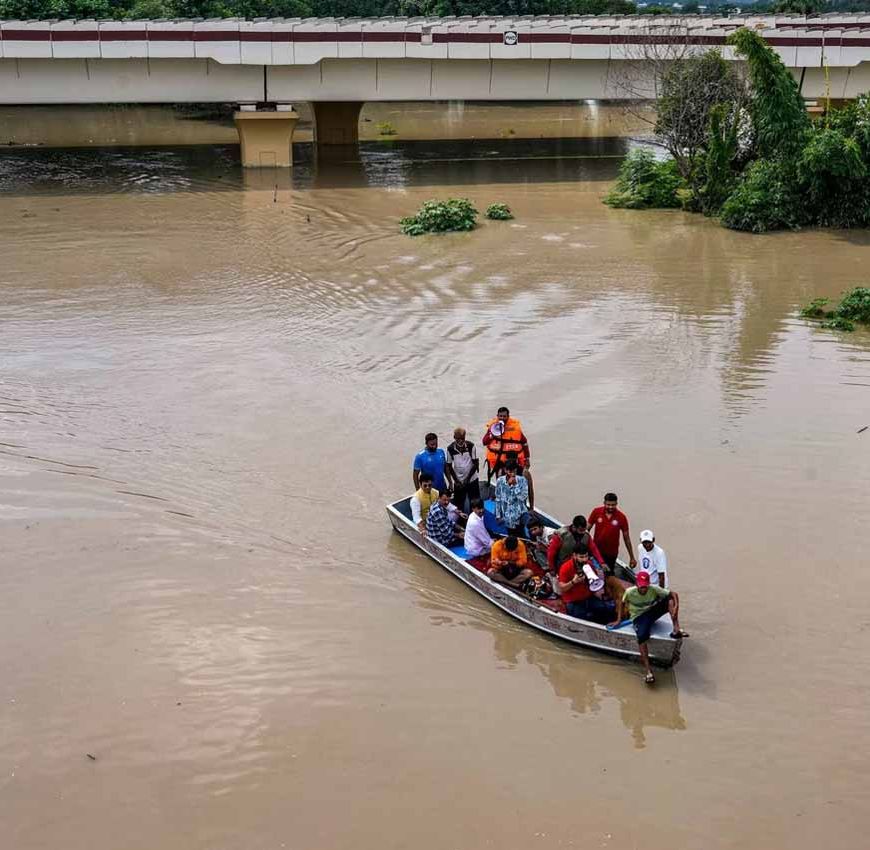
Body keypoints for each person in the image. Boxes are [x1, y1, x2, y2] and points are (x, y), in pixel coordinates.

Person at [611, 571, 688, 684]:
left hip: (651, 611)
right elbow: (621, 603)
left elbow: (674, 594)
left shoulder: (653, 588)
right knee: (642, 637)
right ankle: (648, 672)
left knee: (669, 600)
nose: (643, 589)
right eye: (641, 587)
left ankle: (676, 630)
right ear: (637, 585)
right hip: (639, 617)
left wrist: (675, 609)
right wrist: (618, 620)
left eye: (645, 587)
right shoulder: (629, 592)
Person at [557, 543, 614, 624]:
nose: (584, 559)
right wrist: (573, 582)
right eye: (581, 557)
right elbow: (562, 588)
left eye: (586, 556)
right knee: (580, 617)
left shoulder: (589, 564)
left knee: (606, 609)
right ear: (574, 555)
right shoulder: (565, 567)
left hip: (588, 597)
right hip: (573, 601)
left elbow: (595, 582)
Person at [588, 492, 636, 579]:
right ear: (604, 503)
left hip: (611, 553)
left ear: (616, 504)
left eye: (613, 505)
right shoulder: (596, 512)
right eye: (608, 504)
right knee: (594, 573)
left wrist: (632, 557)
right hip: (596, 551)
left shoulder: (622, 517)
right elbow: (587, 530)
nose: (610, 507)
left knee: (608, 576)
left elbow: (627, 538)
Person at [482, 406, 530, 484]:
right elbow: (484, 442)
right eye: (500, 416)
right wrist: (492, 435)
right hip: (499, 461)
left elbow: (524, 443)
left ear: (508, 416)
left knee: (518, 480)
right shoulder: (493, 427)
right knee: (501, 481)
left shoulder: (515, 428)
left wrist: (527, 458)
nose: (502, 418)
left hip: (513, 460)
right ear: (497, 416)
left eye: (504, 416)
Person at [446, 427, 480, 512]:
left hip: (472, 480)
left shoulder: (471, 446)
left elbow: (475, 463)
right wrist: (456, 481)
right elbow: (449, 466)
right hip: (459, 482)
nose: (460, 441)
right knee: (458, 504)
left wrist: (467, 479)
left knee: (475, 502)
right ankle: (461, 523)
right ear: (454, 437)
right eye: (458, 439)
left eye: (462, 438)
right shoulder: (450, 448)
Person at [494, 459, 529, 536]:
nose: (512, 473)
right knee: (511, 535)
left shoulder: (522, 480)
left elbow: (523, 497)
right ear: (505, 470)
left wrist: (515, 485)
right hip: (507, 517)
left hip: (520, 515)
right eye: (510, 471)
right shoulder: (500, 481)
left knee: (521, 534)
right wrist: (498, 515)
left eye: (514, 471)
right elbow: (498, 498)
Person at [464, 499, 493, 571]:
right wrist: (495, 543)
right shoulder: (475, 523)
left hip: (472, 544)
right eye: (479, 509)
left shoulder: (473, 515)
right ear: (473, 509)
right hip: (476, 551)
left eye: (482, 508)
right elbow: (487, 543)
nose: (481, 510)